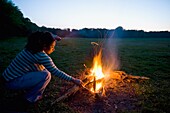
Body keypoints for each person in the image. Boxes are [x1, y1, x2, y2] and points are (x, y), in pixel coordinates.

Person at [1, 31, 83, 105]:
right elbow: (56, 71)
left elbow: (42, 36)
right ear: (44, 45)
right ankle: (30, 98)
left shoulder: (30, 48)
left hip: (7, 78)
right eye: (52, 45)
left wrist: (54, 37)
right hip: (12, 82)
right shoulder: (41, 56)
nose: (53, 48)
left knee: (42, 69)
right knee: (46, 75)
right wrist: (73, 79)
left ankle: (28, 89)